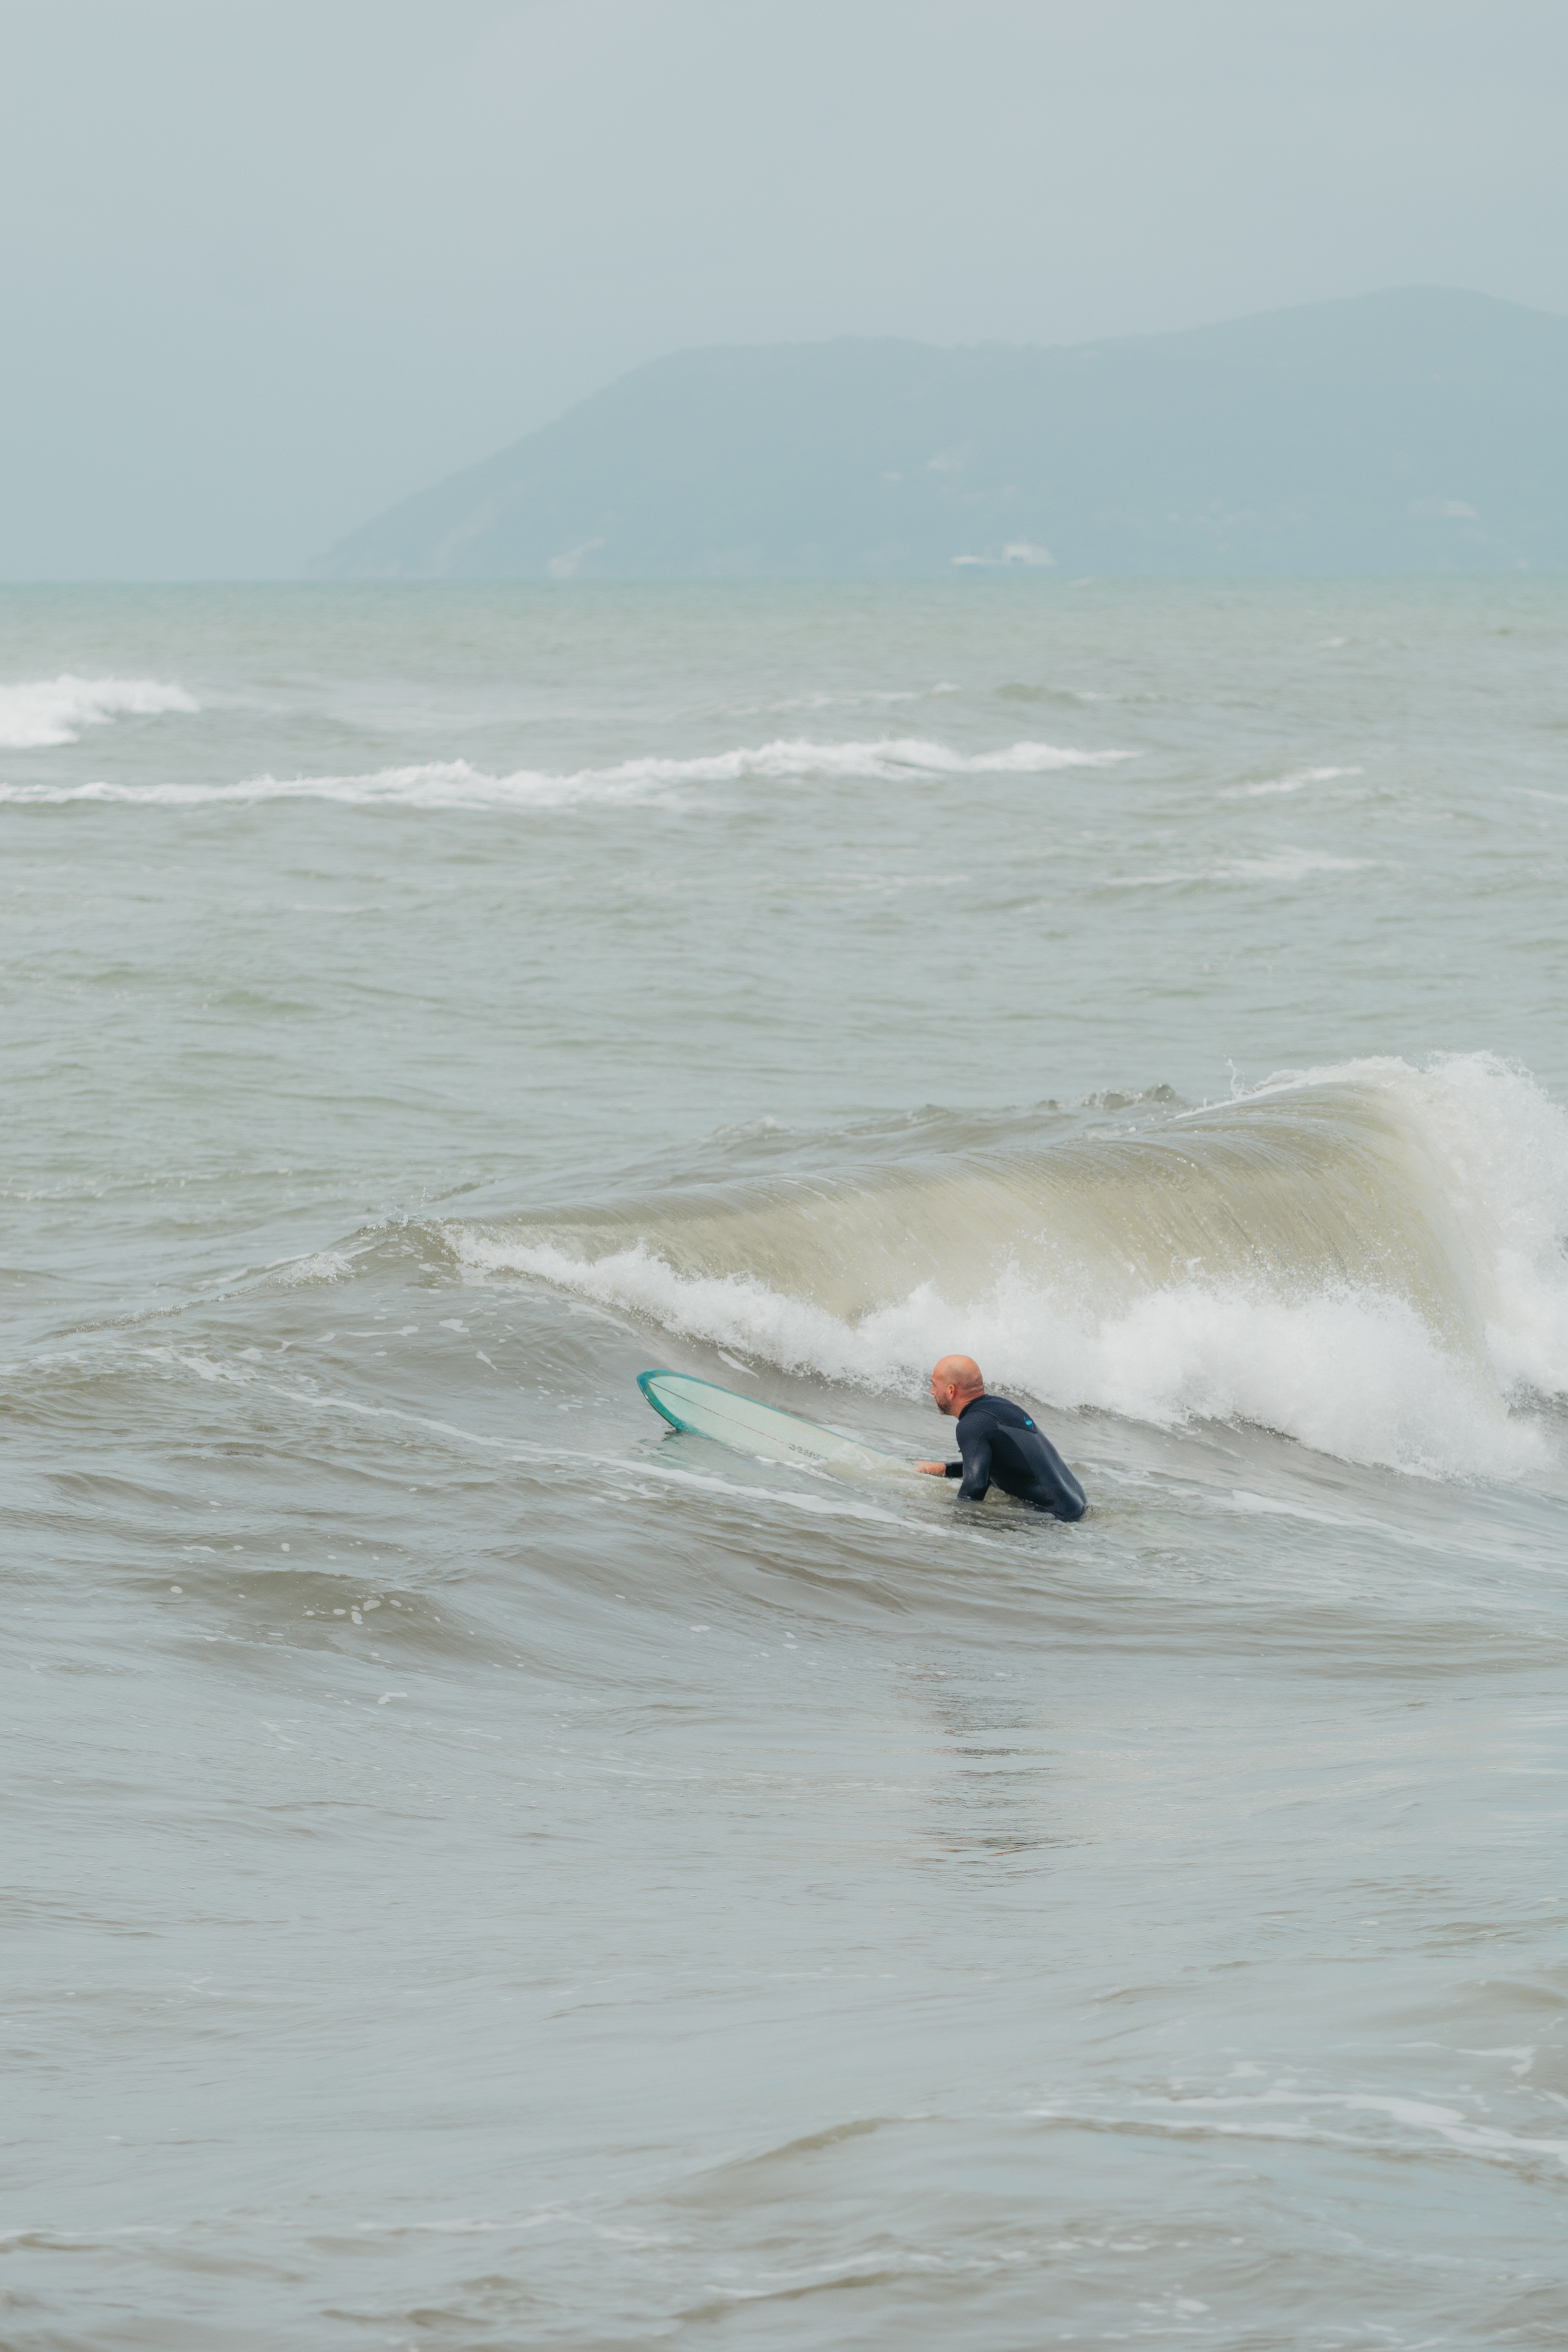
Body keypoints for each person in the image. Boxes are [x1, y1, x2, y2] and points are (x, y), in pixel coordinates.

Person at [916, 1354, 1086, 1518]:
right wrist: (944, 1469)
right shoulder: (1001, 1407)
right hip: (1077, 1506)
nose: (932, 1392)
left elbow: (975, 1486)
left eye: (934, 1385)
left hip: (1054, 1517)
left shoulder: (972, 1424)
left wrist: (950, 1523)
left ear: (951, 1390)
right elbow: (998, 1465)